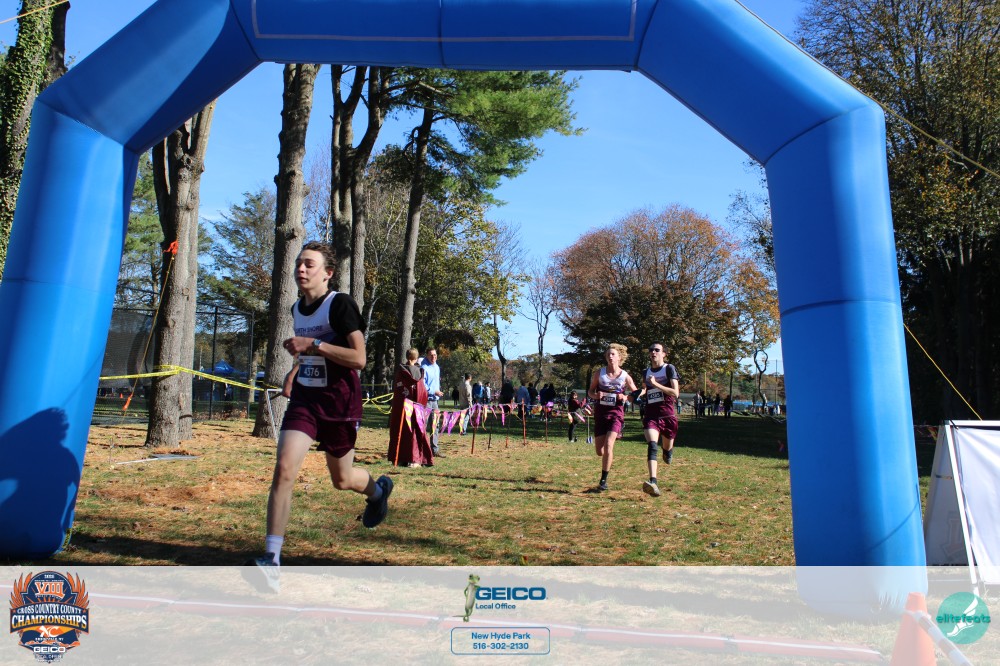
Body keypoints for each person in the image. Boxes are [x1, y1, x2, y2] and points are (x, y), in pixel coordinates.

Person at [245, 241, 391, 593]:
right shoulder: (297, 308)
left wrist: (313, 345)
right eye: (299, 263)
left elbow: (359, 359)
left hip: (340, 403)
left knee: (342, 479)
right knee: (284, 469)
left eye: (309, 264)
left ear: (328, 273)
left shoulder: (339, 305)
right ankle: (272, 560)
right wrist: (295, 371)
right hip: (306, 401)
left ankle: (378, 491)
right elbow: (308, 354)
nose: (301, 268)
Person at [588, 343, 638, 491]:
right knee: (600, 451)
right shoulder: (599, 373)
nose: (610, 356)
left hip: (616, 413)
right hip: (600, 413)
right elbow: (590, 391)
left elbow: (635, 394)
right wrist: (596, 395)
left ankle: (603, 480)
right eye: (608, 354)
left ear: (619, 357)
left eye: (613, 354)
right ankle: (607, 458)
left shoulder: (625, 376)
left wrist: (625, 397)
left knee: (609, 445)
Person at [637, 343, 680, 497]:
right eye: (651, 350)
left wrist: (655, 384)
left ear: (664, 354)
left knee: (666, 449)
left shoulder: (669, 368)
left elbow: (675, 393)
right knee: (652, 445)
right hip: (651, 415)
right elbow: (644, 388)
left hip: (668, 415)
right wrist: (638, 393)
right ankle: (653, 482)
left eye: (657, 350)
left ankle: (667, 452)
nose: (653, 352)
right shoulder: (646, 372)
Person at [387, 348, 433, 467]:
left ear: (407, 357)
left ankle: (400, 458)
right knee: (414, 431)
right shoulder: (419, 373)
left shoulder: (400, 372)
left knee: (402, 431)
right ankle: (414, 459)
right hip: (415, 409)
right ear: (416, 358)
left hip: (402, 409)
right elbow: (423, 392)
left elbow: (398, 391)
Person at [421, 348, 444, 455]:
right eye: (431, 355)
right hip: (426, 401)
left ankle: (434, 450)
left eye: (435, 355)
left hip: (435, 402)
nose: (433, 357)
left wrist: (437, 391)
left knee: (435, 425)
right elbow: (423, 385)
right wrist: (434, 391)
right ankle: (421, 449)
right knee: (424, 425)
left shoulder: (437, 367)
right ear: (427, 355)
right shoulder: (424, 368)